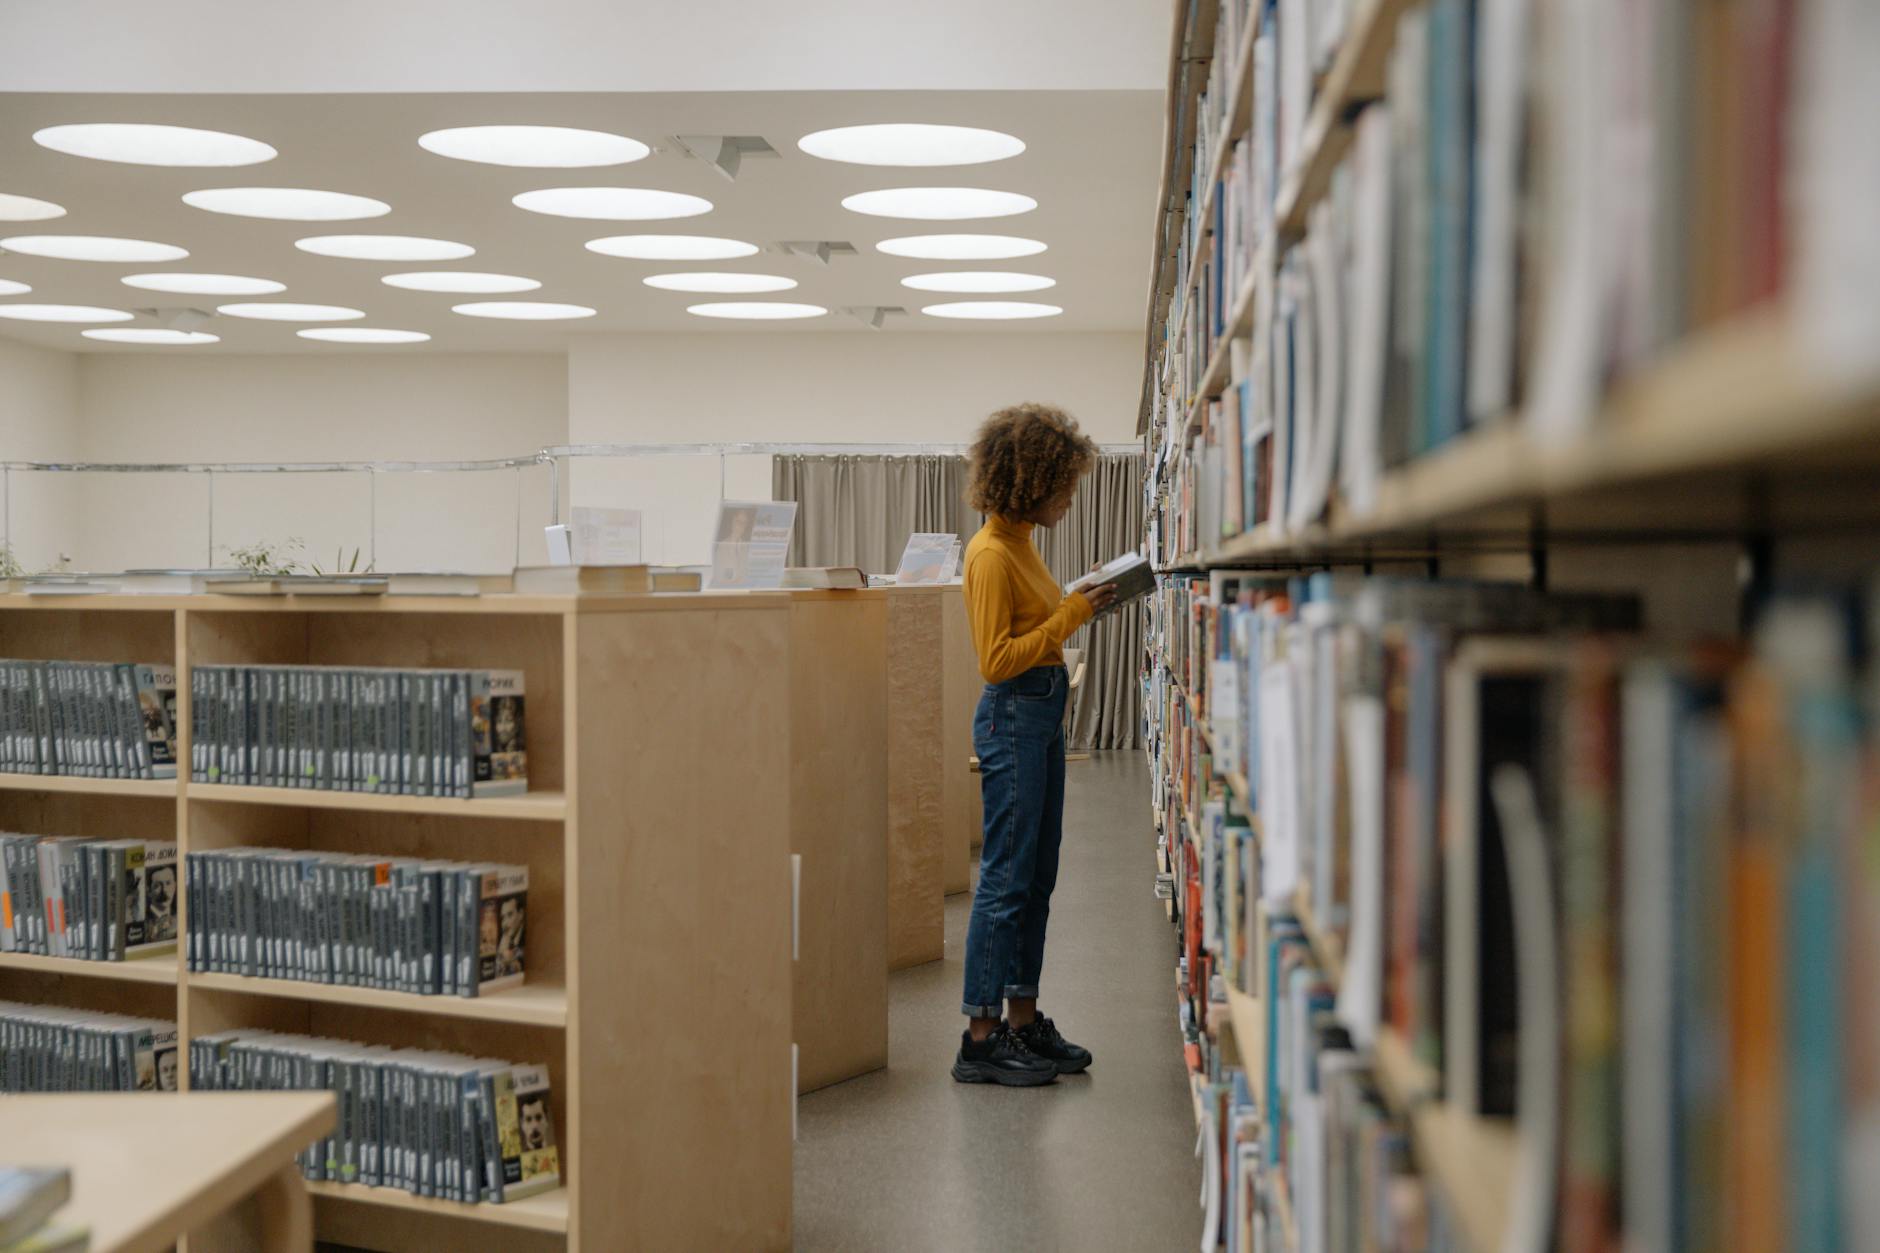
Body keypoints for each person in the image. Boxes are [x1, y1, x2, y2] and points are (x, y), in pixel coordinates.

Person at [952, 402, 1118, 1087]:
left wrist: (1074, 597)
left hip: (1040, 715)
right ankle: (981, 1037)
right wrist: (1075, 613)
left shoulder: (1021, 540)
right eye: (1065, 484)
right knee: (1005, 878)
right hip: (1014, 714)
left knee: (1037, 874)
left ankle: (1024, 1019)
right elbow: (996, 658)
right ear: (1032, 480)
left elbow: (1035, 623)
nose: (1071, 498)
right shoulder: (990, 553)